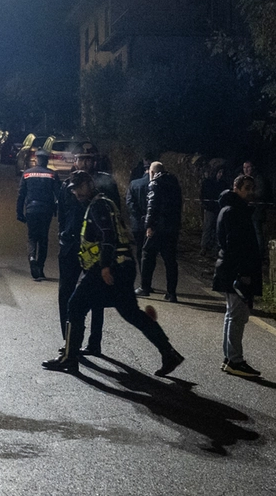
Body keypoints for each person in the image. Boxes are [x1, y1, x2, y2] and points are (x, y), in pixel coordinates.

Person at [42, 172, 185, 377]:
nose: (76, 192)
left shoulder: (98, 206)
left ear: (89, 183)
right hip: (124, 266)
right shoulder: (105, 202)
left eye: (78, 187)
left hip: (110, 267)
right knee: (131, 313)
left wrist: (104, 266)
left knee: (75, 305)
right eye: (73, 189)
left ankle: (69, 358)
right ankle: (168, 352)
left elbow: (107, 236)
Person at [213, 175, 263, 378]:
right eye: (247, 188)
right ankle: (235, 360)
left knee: (232, 315)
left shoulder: (232, 209)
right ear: (236, 188)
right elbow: (235, 245)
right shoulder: (234, 212)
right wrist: (243, 274)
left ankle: (230, 358)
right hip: (235, 272)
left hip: (229, 269)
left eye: (252, 188)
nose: (251, 192)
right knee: (237, 316)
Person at [57, 173, 104, 355]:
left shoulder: (100, 194)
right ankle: (69, 341)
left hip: (92, 250)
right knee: (66, 293)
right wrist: (63, 235)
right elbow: (61, 214)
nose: (77, 192)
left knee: (96, 296)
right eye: (81, 159)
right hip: (70, 247)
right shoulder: (67, 188)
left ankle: (94, 342)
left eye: (88, 159)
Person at [138, 161, 182, 302]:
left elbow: (152, 207)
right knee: (170, 261)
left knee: (147, 254)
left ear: (152, 172)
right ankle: (171, 293)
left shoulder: (154, 184)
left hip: (158, 228)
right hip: (172, 228)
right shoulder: (174, 184)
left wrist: (149, 226)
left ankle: (145, 287)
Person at [17, 150, 60, 281]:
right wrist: (57, 211)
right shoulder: (52, 175)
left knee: (31, 237)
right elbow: (58, 196)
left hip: (31, 210)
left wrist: (19, 213)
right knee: (43, 239)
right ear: (46, 160)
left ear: (36, 159)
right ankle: (40, 267)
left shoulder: (27, 174)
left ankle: (31, 258)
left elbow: (21, 195)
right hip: (46, 211)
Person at [242, 160, 269, 251]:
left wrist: (248, 195)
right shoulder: (242, 179)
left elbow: (260, 192)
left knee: (257, 231)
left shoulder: (258, 179)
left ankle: (260, 253)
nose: (246, 170)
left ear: (252, 168)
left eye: (248, 167)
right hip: (245, 210)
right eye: (244, 168)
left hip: (256, 210)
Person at [126, 167, 151, 265]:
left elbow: (129, 203)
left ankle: (142, 269)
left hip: (138, 224)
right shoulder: (158, 185)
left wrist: (139, 216)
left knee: (140, 247)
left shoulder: (134, 184)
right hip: (152, 224)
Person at [200, 165, 227, 257]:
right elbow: (203, 195)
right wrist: (206, 204)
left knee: (218, 229)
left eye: (222, 173)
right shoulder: (207, 182)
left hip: (219, 210)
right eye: (219, 172)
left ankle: (216, 248)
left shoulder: (223, 184)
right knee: (207, 227)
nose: (221, 174)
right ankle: (204, 246)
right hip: (210, 209)